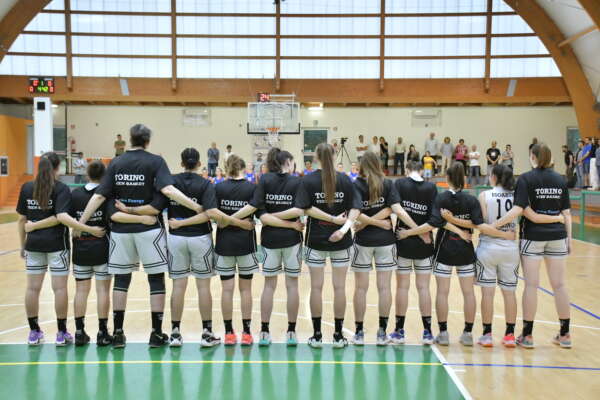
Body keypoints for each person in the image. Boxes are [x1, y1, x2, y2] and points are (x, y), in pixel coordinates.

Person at [78, 124, 202, 349]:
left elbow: (98, 197)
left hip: (121, 232)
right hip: (149, 230)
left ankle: (117, 333)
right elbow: (169, 191)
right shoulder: (156, 161)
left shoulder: (116, 163)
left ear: (129, 140)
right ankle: (156, 333)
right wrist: (195, 206)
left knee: (121, 280)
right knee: (155, 279)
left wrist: (81, 223)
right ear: (147, 141)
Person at [397, 162, 512, 346]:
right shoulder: (472, 200)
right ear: (465, 179)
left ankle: (443, 333)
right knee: (468, 293)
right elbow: (477, 224)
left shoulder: (441, 198)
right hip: (465, 251)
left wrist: (449, 221)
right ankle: (467, 333)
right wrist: (461, 229)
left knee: (442, 292)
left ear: (448, 179)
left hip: (444, 250)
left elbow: (437, 222)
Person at [17, 152, 105, 346]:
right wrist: (89, 229)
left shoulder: (27, 187)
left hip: (33, 245)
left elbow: (22, 220)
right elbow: (60, 216)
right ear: (57, 168)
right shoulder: (61, 189)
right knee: (59, 289)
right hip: (57, 245)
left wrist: (24, 242)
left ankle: (34, 332)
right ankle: (61, 333)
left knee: (32, 288)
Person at [493, 143, 572, 349]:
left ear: (533, 157)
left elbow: (519, 209)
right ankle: (565, 334)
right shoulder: (559, 179)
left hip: (533, 237)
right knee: (560, 285)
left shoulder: (526, 178)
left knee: (531, 286)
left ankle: (527, 336)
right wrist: (569, 239)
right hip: (558, 236)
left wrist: (494, 225)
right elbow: (567, 214)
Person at [165, 148, 244, 348]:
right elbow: (209, 213)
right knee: (203, 286)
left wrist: (180, 223)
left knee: (178, 286)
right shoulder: (205, 184)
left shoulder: (171, 182)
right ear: (200, 163)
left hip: (176, 238)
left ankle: (175, 333)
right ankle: (207, 333)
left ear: (182, 163)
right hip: (200, 238)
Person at [231, 148, 304, 346]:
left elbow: (262, 216)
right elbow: (297, 210)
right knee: (292, 286)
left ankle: (264, 331)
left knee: (269, 286)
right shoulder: (297, 182)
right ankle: (291, 331)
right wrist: (289, 222)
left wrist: (271, 217)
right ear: (287, 162)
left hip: (270, 239)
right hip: (293, 239)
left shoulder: (264, 180)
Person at [442, 165, 519, 348]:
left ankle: (487, 334)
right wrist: (506, 234)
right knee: (510, 293)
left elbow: (479, 224)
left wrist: (452, 220)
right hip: (510, 248)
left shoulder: (485, 196)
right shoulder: (516, 196)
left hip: (488, 248)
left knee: (487, 293)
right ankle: (509, 334)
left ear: (493, 177)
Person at [350, 151, 422, 346]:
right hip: (386, 241)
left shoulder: (356, 185)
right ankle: (382, 332)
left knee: (360, 289)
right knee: (384, 288)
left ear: (362, 166)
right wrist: (418, 229)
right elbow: (396, 209)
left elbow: (356, 214)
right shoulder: (388, 183)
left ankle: (358, 332)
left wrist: (366, 223)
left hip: (363, 241)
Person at [393, 161, 467, 345]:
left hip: (403, 240)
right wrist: (424, 233)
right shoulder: (431, 187)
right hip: (425, 243)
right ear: (422, 170)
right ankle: (427, 332)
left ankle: (399, 331)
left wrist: (411, 231)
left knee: (402, 287)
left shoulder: (399, 184)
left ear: (406, 170)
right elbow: (436, 219)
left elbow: (398, 211)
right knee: (424, 288)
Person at [296, 143, 361, 348]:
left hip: (315, 239)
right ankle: (338, 336)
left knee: (316, 287)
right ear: (334, 156)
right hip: (341, 241)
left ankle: (316, 336)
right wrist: (342, 229)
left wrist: (331, 221)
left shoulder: (308, 180)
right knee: (339, 288)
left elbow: (305, 209)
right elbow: (355, 209)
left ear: (315, 156)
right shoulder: (345, 180)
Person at [213, 155, 258, 346]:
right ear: (243, 169)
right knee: (246, 289)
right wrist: (241, 221)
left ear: (227, 168)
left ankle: (229, 333)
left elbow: (215, 217)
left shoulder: (218, 187)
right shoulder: (251, 188)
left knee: (227, 290)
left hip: (224, 244)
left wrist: (227, 220)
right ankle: (247, 333)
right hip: (245, 244)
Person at [69, 161, 112, 346]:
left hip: (80, 248)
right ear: (104, 176)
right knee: (103, 290)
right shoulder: (107, 195)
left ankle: (79, 332)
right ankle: (102, 333)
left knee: (81, 291)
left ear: (87, 174)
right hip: (102, 247)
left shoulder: (75, 194)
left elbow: (70, 221)